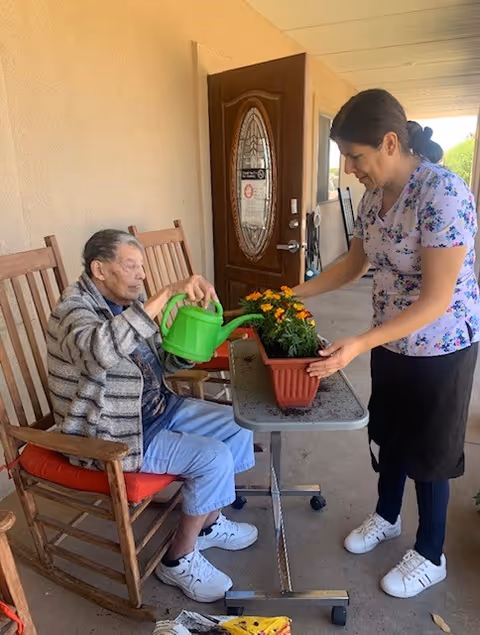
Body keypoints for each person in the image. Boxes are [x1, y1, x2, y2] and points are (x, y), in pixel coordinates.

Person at [294, 89, 480, 599]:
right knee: (390, 432)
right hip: (389, 340)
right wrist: (291, 292)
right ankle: (387, 516)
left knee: (431, 449)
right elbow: (354, 265)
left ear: (390, 143)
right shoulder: (375, 199)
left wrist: (357, 342)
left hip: (442, 345)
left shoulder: (443, 192)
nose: (351, 169)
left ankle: (432, 551)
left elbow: (436, 299)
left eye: (356, 156)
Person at [47, 229, 257, 603]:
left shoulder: (130, 299)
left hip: (156, 408)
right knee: (213, 458)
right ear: (99, 269)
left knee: (238, 424)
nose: (142, 275)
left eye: (142, 267)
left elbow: (160, 360)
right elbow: (99, 353)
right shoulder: (71, 309)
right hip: (110, 431)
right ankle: (177, 560)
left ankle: (207, 525)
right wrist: (164, 296)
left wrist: (186, 350)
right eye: (131, 266)